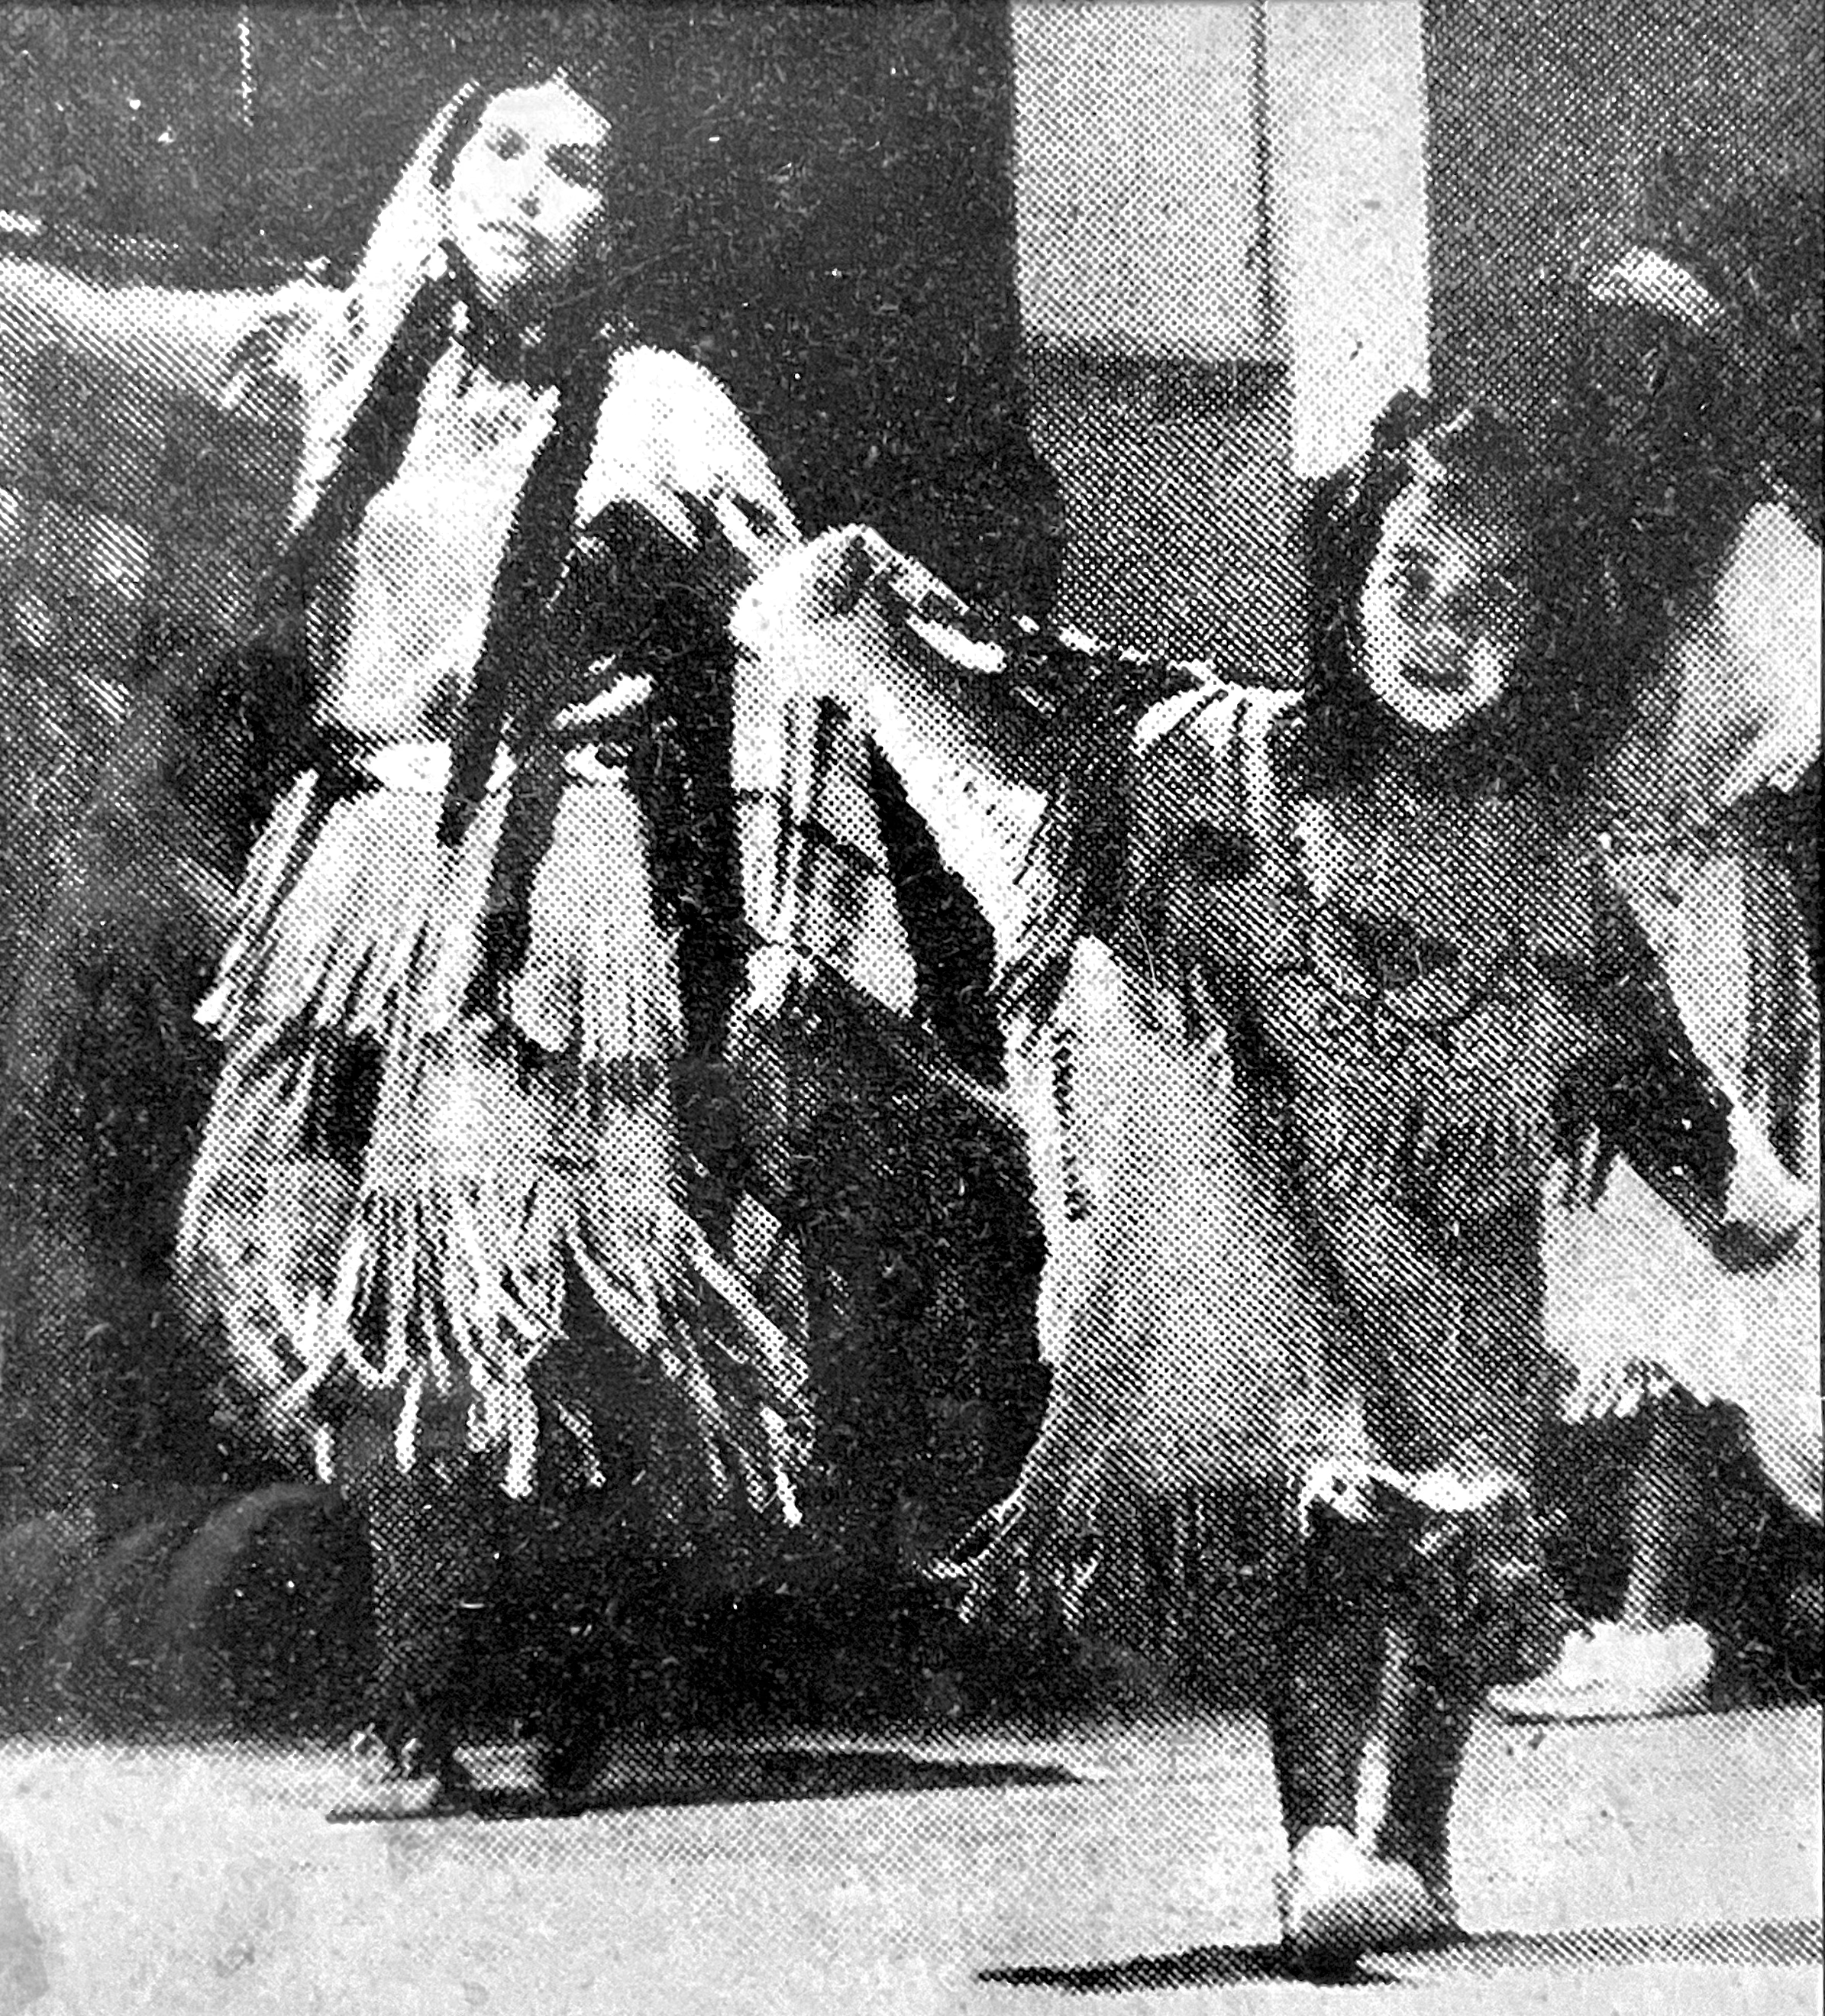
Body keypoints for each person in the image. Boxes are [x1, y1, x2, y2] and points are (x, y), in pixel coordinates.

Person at [735, 396, 1806, 1969]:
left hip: (1460, 1237)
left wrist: (1726, 1180)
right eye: (1407, 578)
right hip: (1286, 1207)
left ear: (1546, 620)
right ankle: (1317, 1845)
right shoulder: (1229, 758)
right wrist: (883, 632)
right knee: (1335, 1528)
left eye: (1487, 592)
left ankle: (1419, 1848)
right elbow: (1048, 713)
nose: (1438, 624)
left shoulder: (1547, 843)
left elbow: (1631, 1025)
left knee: (1464, 1543)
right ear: (1347, 580)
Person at [166, 73, 931, 1811]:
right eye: (495, 152)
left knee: (509, 1283)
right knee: (323, 1271)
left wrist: (783, 914)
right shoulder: (352, 356)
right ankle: (433, 1696)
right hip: (359, 861)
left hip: (544, 881)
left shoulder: (661, 408)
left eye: (573, 166)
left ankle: (515, 1693)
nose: (523, 190)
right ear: (437, 172)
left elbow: (800, 635)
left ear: (620, 213)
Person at [1492, 235, 1821, 1722]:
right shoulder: (1569, 547)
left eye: (1652, 375)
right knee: (1576, 1244)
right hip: (1587, 908)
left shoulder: (1760, 556)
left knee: (1692, 1241)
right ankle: (1574, 1596)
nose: (1620, 402)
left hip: (1707, 914)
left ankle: (1659, 1605)